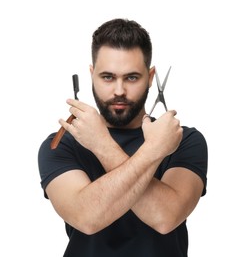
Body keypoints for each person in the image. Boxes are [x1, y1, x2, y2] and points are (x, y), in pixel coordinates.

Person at [38, 18, 208, 257]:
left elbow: (165, 218)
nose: (119, 91)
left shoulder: (184, 139)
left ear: (150, 77)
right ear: (92, 75)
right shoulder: (61, 144)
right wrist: (151, 151)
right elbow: (87, 218)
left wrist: (103, 146)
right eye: (108, 77)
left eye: (131, 77)